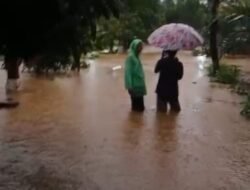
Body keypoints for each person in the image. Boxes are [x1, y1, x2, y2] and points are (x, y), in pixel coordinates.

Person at [124, 39, 146, 112]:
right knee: (136, 108)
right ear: (135, 47)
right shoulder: (130, 57)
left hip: (140, 85)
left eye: (141, 46)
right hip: (134, 86)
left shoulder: (137, 57)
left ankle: (137, 122)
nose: (141, 48)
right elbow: (128, 72)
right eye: (139, 47)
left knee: (141, 108)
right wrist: (129, 86)